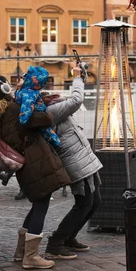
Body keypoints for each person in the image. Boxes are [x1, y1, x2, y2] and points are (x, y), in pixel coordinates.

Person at [0, 72, 70, 270]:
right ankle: (31, 256)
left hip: (26, 162)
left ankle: (22, 251)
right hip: (35, 160)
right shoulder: (13, 109)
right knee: (41, 203)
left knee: (38, 202)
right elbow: (45, 118)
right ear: (4, 91)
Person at [42, 66, 103, 260]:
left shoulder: (52, 104)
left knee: (95, 202)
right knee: (84, 203)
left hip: (84, 158)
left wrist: (81, 78)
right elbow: (76, 100)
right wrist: (76, 78)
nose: (49, 89)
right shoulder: (50, 110)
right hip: (75, 161)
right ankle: (56, 243)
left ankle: (69, 238)